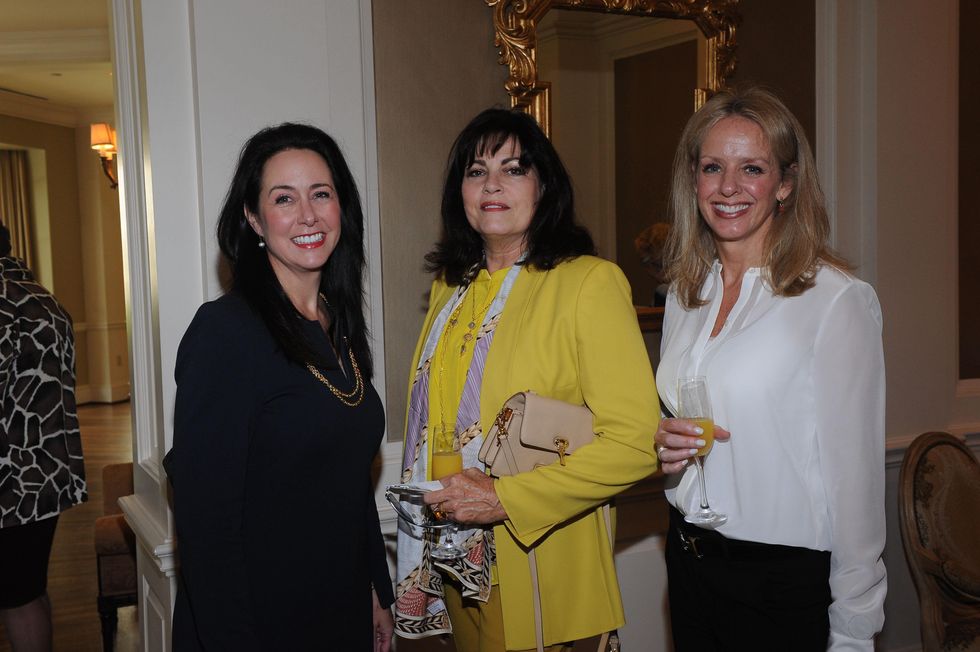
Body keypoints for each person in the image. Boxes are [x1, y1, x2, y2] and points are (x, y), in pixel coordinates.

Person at [394, 108, 659, 651]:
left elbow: (635, 444)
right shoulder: (451, 290)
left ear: (544, 185)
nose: (492, 184)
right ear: (459, 192)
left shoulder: (589, 282)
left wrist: (505, 499)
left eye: (513, 169)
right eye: (475, 171)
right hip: (452, 567)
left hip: (540, 570)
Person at [654, 87, 886, 651]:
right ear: (694, 179)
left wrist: (854, 631)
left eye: (751, 168)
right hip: (687, 560)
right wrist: (664, 447)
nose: (728, 187)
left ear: (785, 183)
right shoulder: (686, 294)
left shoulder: (835, 300)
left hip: (779, 581)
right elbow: (684, 433)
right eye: (713, 167)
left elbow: (856, 485)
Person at [164, 124, 394, 651]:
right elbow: (207, 527)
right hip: (257, 619)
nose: (307, 215)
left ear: (342, 208)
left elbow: (348, 475)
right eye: (283, 198)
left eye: (321, 194)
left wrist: (374, 588)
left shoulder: (337, 323)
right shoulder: (226, 333)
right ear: (253, 218)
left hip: (337, 605)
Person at [0, 222, 87, 652]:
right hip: (45, 474)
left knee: (17, 597)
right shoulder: (39, 297)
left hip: (11, 482)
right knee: (27, 589)